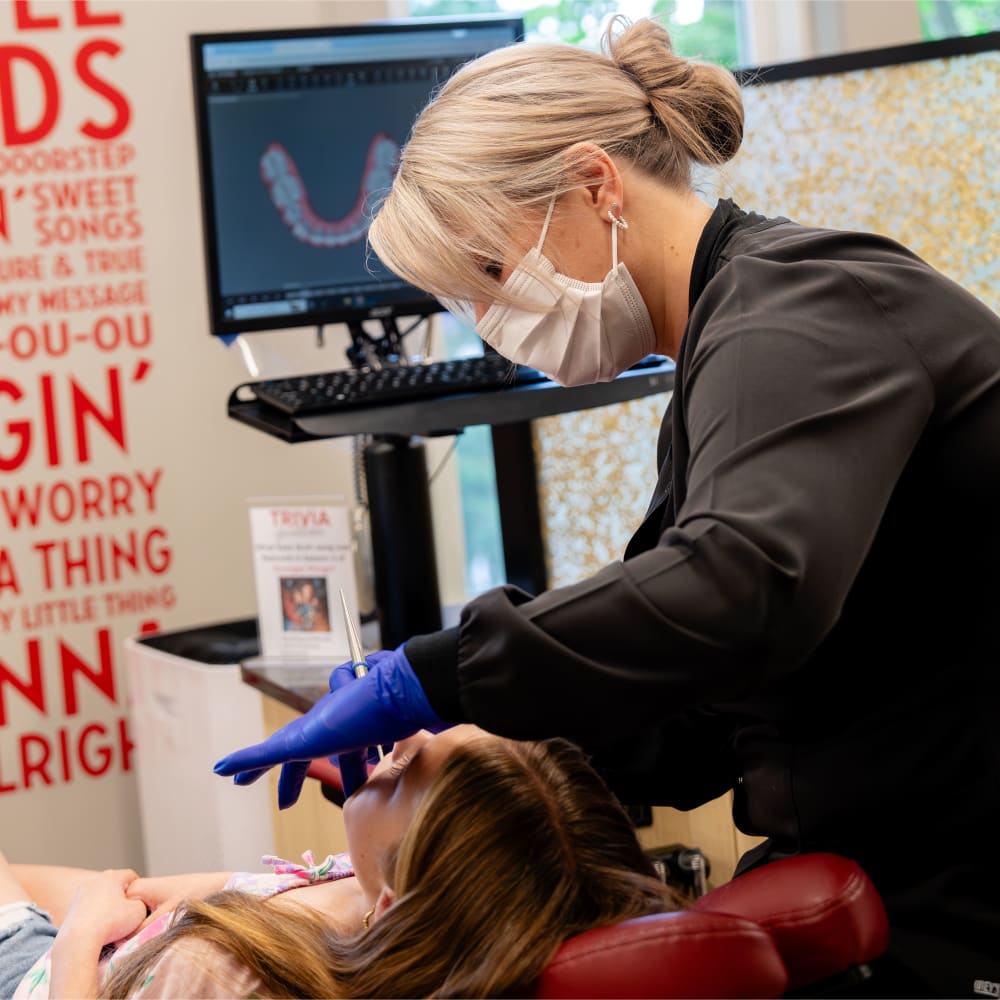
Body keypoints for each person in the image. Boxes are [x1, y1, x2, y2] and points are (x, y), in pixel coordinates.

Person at [215, 16, 1000, 997]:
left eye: (492, 276)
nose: (498, 330)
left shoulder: (802, 313)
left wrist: (437, 675)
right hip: (880, 878)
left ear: (596, 184)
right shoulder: (730, 348)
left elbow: (740, 588)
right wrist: (483, 744)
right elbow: (698, 707)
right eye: (470, 303)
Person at [1, 727, 677, 999]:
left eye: (406, 768)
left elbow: (108, 913)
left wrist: (81, 937)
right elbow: (149, 892)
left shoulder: (214, 976)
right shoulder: (363, 895)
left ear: (396, 907)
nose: (401, 740)